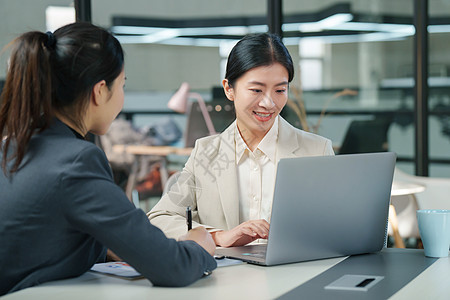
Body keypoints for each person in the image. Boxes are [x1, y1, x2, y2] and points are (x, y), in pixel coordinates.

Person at [0, 22, 216, 296]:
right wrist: (199, 246)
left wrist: (104, 247)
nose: (122, 97)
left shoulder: (12, 147)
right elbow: (172, 267)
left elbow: (39, 241)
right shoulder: (76, 161)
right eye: (121, 85)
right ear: (100, 90)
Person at [148, 33, 334, 248]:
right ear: (229, 89)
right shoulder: (206, 152)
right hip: (227, 278)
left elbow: (335, 226)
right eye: (256, 90)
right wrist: (219, 236)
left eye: (280, 90)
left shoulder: (317, 150)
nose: (268, 103)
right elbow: (160, 217)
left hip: (296, 273)